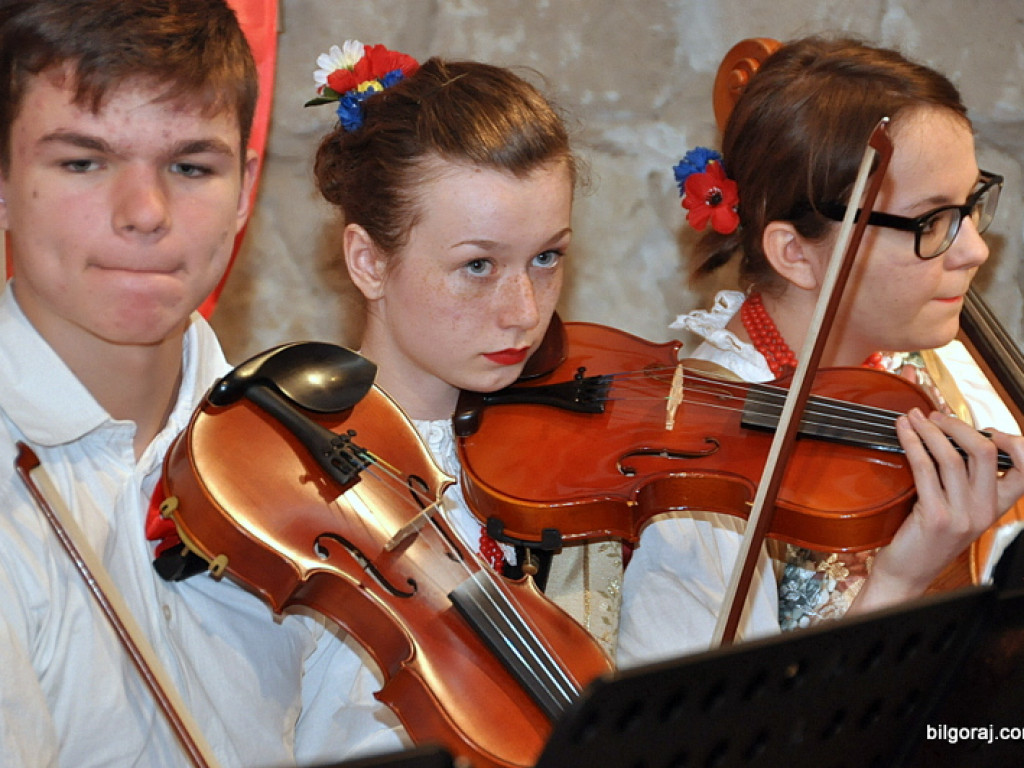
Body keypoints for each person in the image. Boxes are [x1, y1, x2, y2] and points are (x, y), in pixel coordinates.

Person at [0, 2, 403, 765]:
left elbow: (360, 727)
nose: (146, 213)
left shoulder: (303, 455)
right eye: (82, 162)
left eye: (191, 167)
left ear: (246, 185)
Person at [616, 35, 1024, 666]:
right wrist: (899, 582)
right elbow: (729, 737)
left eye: (970, 205)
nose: (974, 250)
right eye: (931, 221)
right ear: (794, 253)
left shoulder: (939, 351)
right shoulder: (701, 479)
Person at [310, 42, 625, 655]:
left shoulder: (571, 457)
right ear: (369, 262)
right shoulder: (302, 486)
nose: (526, 314)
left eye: (546, 258)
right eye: (478, 264)